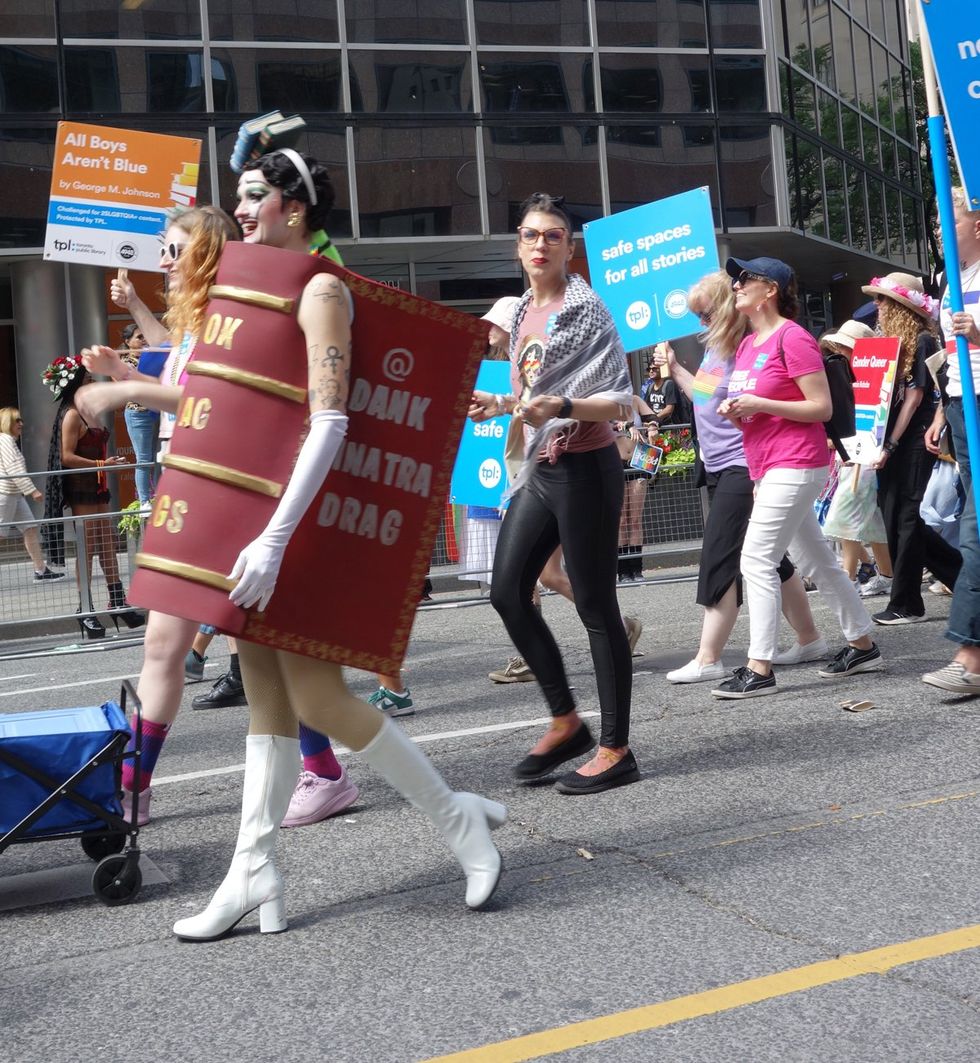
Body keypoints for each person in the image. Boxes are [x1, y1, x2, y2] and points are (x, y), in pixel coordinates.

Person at [152, 149, 503, 939]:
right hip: (255, 521)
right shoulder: (251, 287)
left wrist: (275, 539)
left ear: (295, 209)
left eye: (254, 196)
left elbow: (330, 420)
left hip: (295, 525)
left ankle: (459, 821)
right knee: (268, 701)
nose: (240, 209)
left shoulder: (318, 290)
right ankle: (254, 872)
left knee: (319, 698)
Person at [79, 204, 357, 832]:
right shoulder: (198, 320)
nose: (163, 262)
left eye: (174, 251)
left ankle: (329, 772)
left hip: (234, 493)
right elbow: (179, 371)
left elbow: (223, 396)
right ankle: (134, 789)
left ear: (206, 253)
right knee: (164, 645)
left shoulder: (243, 315)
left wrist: (127, 389)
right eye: (163, 249)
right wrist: (123, 371)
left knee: (263, 647)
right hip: (189, 491)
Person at [468, 191, 638, 794]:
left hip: (586, 468)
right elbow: (534, 395)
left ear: (571, 246)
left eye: (553, 236)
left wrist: (563, 405)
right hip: (542, 468)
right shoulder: (519, 314)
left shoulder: (585, 309)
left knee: (595, 607)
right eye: (531, 235)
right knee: (508, 591)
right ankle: (566, 721)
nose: (540, 245)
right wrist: (500, 404)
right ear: (518, 242)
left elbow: (619, 399)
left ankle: (616, 749)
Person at [711, 256, 882, 699]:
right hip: (768, 465)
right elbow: (752, 412)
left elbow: (820, 409)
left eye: (745, 278)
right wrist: (737, 412)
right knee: (818, 563)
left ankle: (759, 667)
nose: (736, 285)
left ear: (770, 289)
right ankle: (862, 643)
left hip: (797, 462)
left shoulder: (794, 337)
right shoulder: (748, 345)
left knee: (755, 560)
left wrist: (759, 404)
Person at [653, 271, 824, 684]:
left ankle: (709, 656)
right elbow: (704, 398)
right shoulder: (718, 349)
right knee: (775, 560)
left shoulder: (746, 348)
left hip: (742, 464)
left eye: (706, 314)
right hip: (723, 465)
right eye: (698, 316)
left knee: (721, 557)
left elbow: (798, 402)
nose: (700, 323)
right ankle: (810, 638)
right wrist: (676, 370)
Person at [860, 272, 960, 624]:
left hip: (913, 439)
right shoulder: (890, 343)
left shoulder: (921, 340)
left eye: (882, 299)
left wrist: (890, 442)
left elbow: (919, 395)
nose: (876, 305)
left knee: (905, 517)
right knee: (898, 516)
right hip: (893, 439)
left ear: (900, 305)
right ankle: (963, 579)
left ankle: (906, 603)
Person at [923, 187, 980, 694]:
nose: (940, 232)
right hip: (963, 405)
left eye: (950, 221)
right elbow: (949, 353)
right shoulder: (950, 281)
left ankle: (969, 654)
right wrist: (944, 407)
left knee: (975, 524)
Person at [41, 357, 144, 638]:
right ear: (74, 385)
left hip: (98, 483)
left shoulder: (89, 411)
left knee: (107, 541)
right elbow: (66, 456)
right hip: (82, 485)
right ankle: (85, 609)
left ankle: (117, 600)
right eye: (86, 380)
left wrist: (107, 464)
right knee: (87, 546)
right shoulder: (72, 414)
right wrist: (103, 465)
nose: (91, 384)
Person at [813, 321, 894, 598]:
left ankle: (848, 579)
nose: (837, 351)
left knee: (844, 516)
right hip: (852, 454)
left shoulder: (868, 375)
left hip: (864, 454)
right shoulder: (843, 373)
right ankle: (885, 574)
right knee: (871, 523)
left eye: (843, 347)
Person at [0, 407, 64, 582]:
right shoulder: (5, 440)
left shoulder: (6, 440)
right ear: (7, 423)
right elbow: (14, 469)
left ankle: (41, 570)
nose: (21, 424)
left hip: (13, 493)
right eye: (17, 421)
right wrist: (32, 490)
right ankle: (40, 570)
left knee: (30, 528)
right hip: (6, 493)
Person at [119, 323, 158, 511]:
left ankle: (157, 496)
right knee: (143, 459)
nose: (143, 340)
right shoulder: (125, 363)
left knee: (156, 458)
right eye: (138, 337)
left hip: (155, 412)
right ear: (127, 342)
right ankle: (144, 502)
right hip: (138, 414)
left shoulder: (150, 357)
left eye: (144, 337)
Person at [639, 359, 677, 425]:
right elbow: (646, 407)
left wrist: (653, 419)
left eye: (654, 369)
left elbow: (669, 409)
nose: (651, 371)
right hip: (653, 426)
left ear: (661, 369)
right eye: (649, 369)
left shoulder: (669, 384)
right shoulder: (650, 387)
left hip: (667, 427)